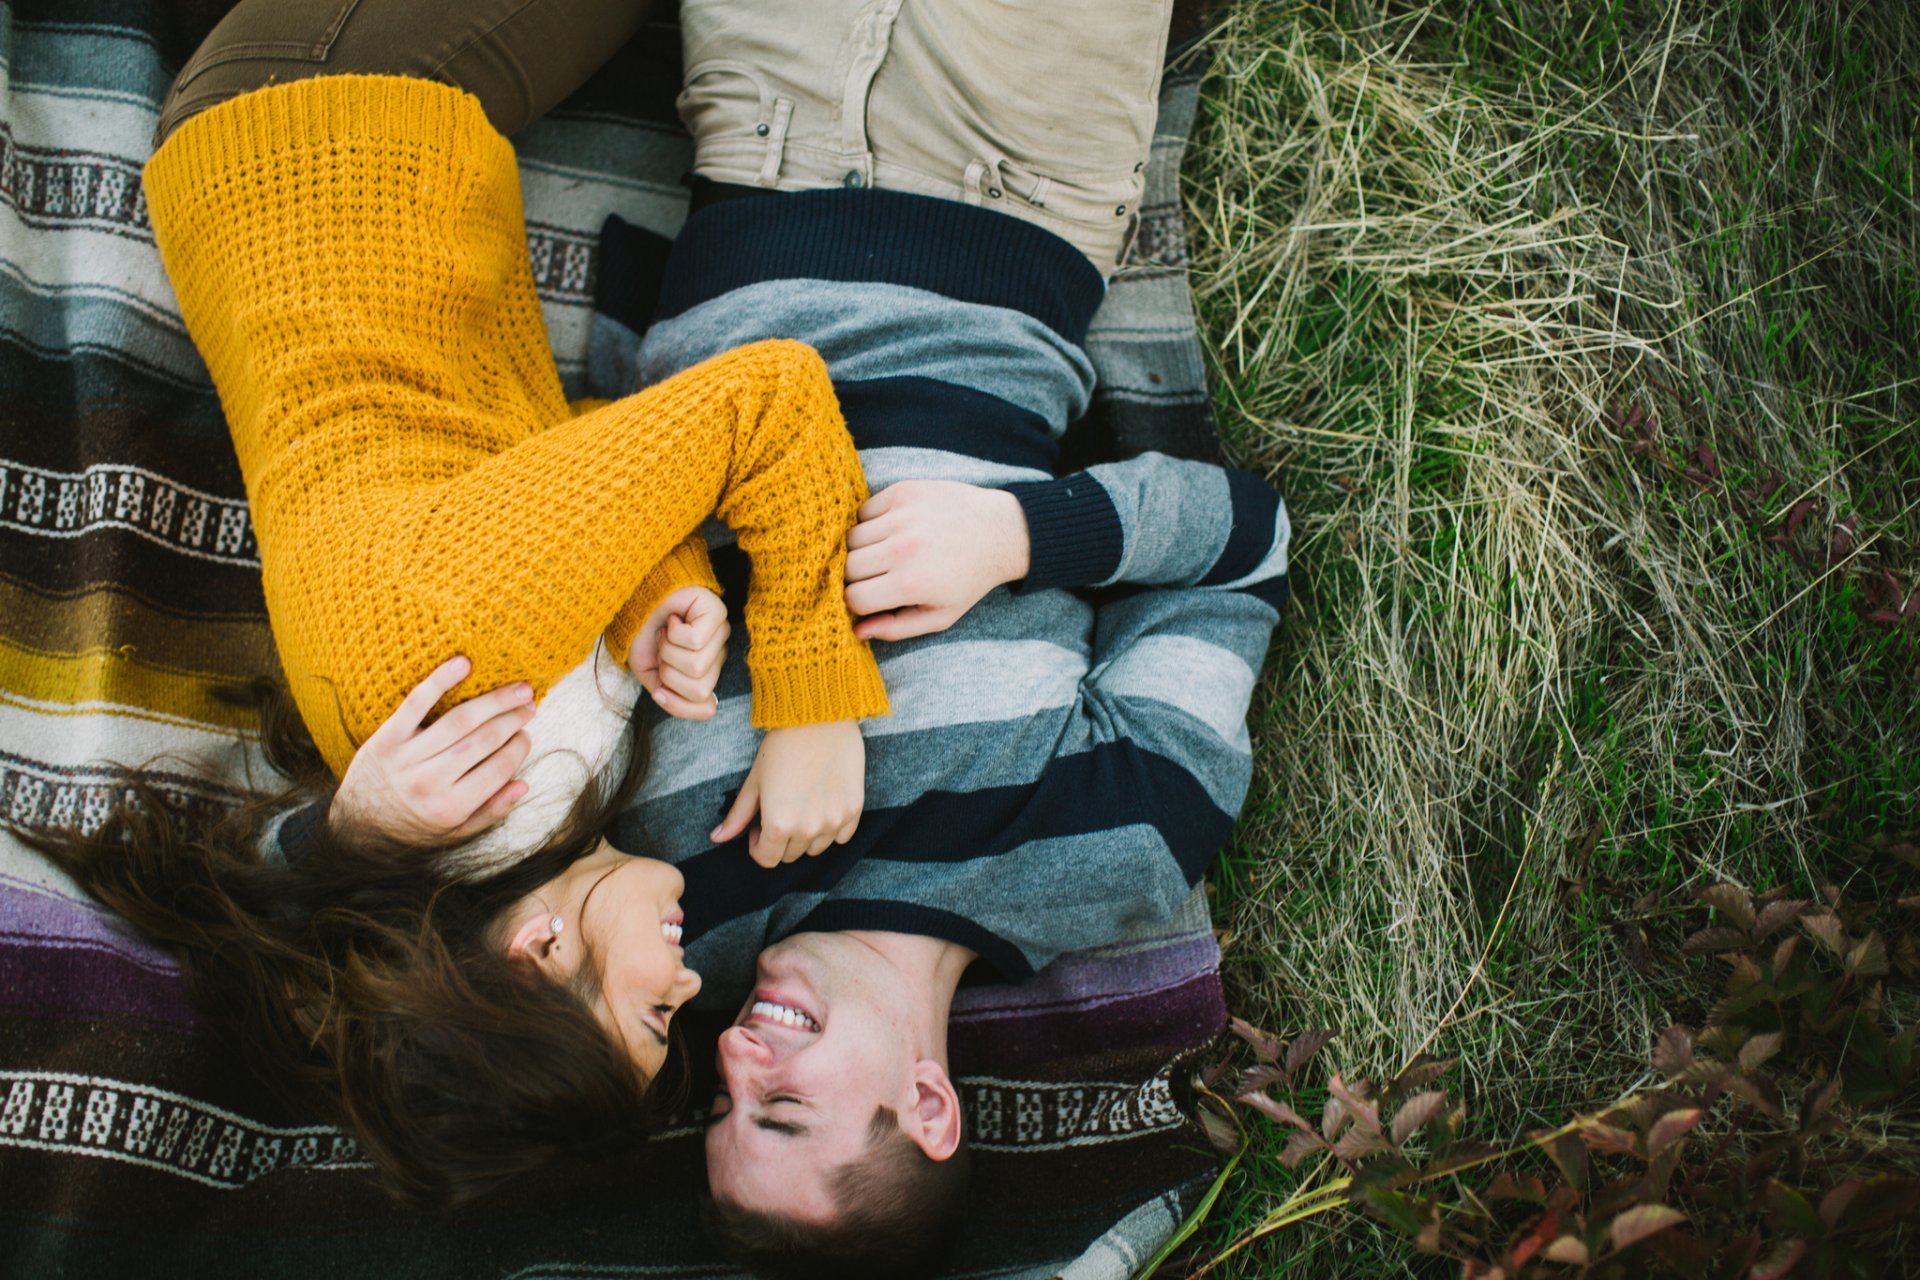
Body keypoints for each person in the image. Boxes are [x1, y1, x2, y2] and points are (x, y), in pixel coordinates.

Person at [326, 0, 1292, 1269]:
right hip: (1020, 175)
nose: (735, 1055)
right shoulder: (1120, 843)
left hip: (757, 142)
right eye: (782, 1106)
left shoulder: (668, 903)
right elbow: (1243, 544)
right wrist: (1018, 536)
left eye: (723, 1104)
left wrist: (351, 833)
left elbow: (412, 956)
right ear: (929, 1105)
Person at [22, 0, 893, 1210]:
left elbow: (767, 400)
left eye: (655, 1013)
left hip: (326, 121)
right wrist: (659, 589)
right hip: (363, 165)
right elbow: (572, 453)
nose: (695, 985)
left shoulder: (468, 668)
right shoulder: (505, 790)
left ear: (538, 953)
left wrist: (813, 700)